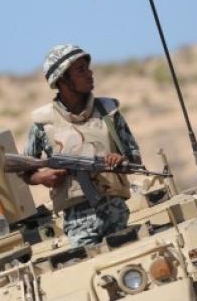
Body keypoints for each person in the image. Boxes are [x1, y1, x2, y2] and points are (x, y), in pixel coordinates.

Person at [21, 44, 143, 247]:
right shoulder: (44, 124)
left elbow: (135, 159)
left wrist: (121, 160)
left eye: (87, 68)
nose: (89, 73)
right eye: (80, 70)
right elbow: (24, 170)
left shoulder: (108, 112)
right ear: (62, 79)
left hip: (116, 214)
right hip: (78, 225)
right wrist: (42, 177)